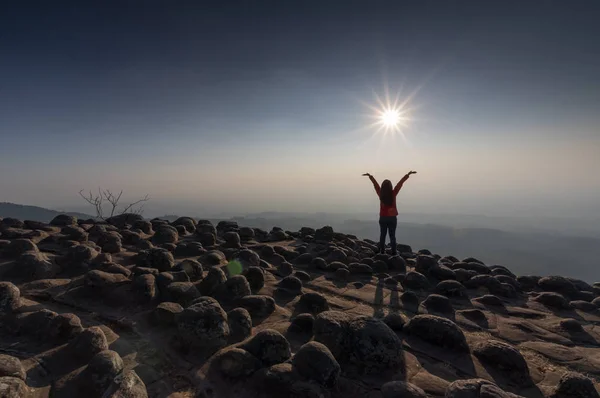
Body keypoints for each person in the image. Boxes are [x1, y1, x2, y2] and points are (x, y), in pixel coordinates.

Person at [363, 170, 417, 255]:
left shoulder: (381, 193)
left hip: (383, 218)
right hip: (392, 218)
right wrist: (407, 175)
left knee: (382, 235)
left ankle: (382, 252)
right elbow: (400, 184)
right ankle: (394, 252)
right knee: (392, 236)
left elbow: (375, 185)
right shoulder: (393, 193)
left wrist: (370, 176)